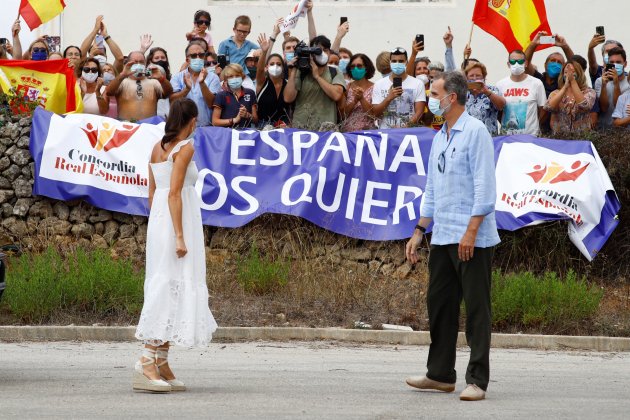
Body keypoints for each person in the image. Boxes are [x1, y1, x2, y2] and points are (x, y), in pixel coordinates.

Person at [405, 71, 500, 402]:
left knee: (476, 310)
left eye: (435, 93)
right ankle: (441, 374)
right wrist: (419, 230)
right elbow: (431, 187)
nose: (432, 99)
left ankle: (477, 380)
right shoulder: (440, 136)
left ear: (453, 97)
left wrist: (471, 231)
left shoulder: (475, 132)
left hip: (472, 237)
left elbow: (485, 188)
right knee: (441, 305)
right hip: (443, 234)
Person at [135, 98, 218, 393]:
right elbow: (173, 194)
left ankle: (161, 359)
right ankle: (146, 359)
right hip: (175, 220)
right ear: (192, 120)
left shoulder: (157, 146)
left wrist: (161, 226)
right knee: (169, 283)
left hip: (161, 219)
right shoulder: (185, 148)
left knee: (172, 284)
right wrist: (180, 236)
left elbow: (152, 193)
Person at [283, 35, 346, 130]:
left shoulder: (335, 72)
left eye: (325, 50)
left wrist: (317, 76)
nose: (322, 53)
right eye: (318, 50)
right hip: (301, 129)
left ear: (329, 52)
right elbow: (288, 98)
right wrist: (294, 69)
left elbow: (336, 95)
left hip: (325, 129)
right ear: (311, 52)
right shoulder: (301, 72)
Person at [105, 51, 173, 121]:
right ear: (128, 64)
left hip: (149, 127)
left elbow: (169, 92)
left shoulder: (154, 82)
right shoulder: (122, 82)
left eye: (141, 62)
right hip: (127, 127)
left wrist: (161, 78)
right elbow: (109, 92)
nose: (138, 64)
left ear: (145, 64)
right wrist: (122, 75)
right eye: (135, 62)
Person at [372, 47, 425, 129]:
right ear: (390, 63)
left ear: (406, 62)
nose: (397, 63)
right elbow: (375, 113)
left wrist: (406, 127)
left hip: (409, 133)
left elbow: (419, 112)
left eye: (401, 61)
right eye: (394, 61)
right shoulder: (379, 84)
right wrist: (388, 98)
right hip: (386, 134)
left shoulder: (418, 83)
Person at [496, 50, 546, 135]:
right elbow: (498, 110)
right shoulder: (500, 84)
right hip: (506, 137)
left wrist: (535, 126)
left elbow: (543, 109)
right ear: (508, 64)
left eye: (520, 61)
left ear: (526, 63)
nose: (516, 64)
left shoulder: (536, 83)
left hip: (530, 137)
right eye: (513, 61)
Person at [170, 42, 221, 127]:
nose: (198, 58)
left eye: (201, 55)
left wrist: (202, 83)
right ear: (187, 60)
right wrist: (186, 89)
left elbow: (212, 104)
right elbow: (172, 102)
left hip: (206, 127)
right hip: (183, 128)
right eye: (194, 56)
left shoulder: (213, 78)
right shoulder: (177, 77)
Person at [544, 61, 596, 135]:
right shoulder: (555, 93)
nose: (569, 75)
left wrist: (573, 81)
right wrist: (565, 87)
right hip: (560, 139)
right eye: (566, 72)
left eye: (572, 72)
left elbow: (584, 106)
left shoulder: (589, 92)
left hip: (581, 139)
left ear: (579, 74)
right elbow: (548, 107)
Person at [255, 34, 292, 128]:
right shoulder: (262, 82)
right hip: (262, 126)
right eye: (272, 64)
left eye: (279, 64)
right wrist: (264, 52)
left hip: (283, 126)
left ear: (283, 68)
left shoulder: (288, 84)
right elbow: (259, 70)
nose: (275, 66)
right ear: (266, 67)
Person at [525, 32, 575, 98]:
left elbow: (575, 65)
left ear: (563, 67)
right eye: (553, 61)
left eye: (559, 62)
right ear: (545, 65)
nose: (555, 64)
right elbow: (525, 64)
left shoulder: (564, 82)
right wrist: (533, 44)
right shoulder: (538, 79)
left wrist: (565, 47)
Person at [464, 62, 505, 136]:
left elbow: (501, 106)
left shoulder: (492, 90)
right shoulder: (463, 93)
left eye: (478, 76)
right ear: (466, 77)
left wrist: (487, 92)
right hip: (467, 138)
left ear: (484, 77)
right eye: (471, 76)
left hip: (488, 138)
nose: (474, 78)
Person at [212, 64, 258, 128]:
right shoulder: (221, 95)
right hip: (227, 134)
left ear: (242, 77)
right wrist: (234, 120)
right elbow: (215, 122)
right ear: (226, 80)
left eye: (237, 75)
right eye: (230, 76)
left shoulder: (250, 93)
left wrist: (247, 115)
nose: (234, 78)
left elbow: (256, 120)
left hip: (245, 134)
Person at [594, 47, 630, 129]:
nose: (615, 65)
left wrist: (616, 84)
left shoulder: (628, 83)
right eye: (612, 62)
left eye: (618, 62)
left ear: (625, 64)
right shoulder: (600, 81)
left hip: (621, 130)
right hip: (602, 129)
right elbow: (604, 108)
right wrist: (604, 85)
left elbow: (617, 106)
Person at [341, 53, 376, 131]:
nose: (355, 69)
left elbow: (373, 115)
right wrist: (354, 101)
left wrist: (362, 99)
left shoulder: (375, 88)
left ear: (366, 68)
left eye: (359, 66)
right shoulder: (346, 88)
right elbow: (342, 116)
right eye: (353, 66)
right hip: (348, 134)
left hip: (368, 134)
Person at [147, 47, 173, 119]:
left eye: (163, 57)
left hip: (166, 115)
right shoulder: (147, 74)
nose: (160, 60)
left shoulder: (171, 77)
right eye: (157, 58)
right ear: (150, 60)